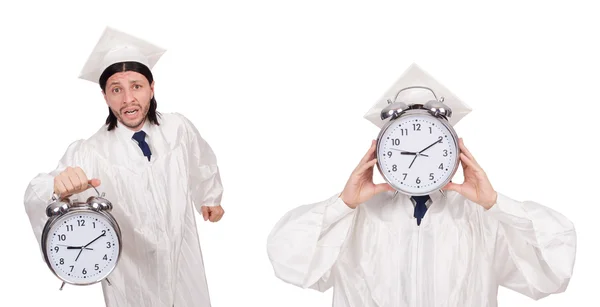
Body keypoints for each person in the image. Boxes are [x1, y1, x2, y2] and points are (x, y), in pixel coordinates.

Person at [266, 64, 576, 306]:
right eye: (403, 148)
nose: (418, 156)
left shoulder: (482, 220)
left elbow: (554, 270)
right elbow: (286, 257)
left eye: (433, 146)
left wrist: (495, 203)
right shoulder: (355, 218)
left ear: (455, 153)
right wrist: (342, 205)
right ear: (381, 153)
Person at [23, 26, 225, 307]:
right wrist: (57, 186)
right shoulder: (91, 151)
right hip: (132, 280)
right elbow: (38, 190)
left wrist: (209, 197)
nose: (128, 99)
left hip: (182, 260)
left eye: (137, 86)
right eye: (116, 89)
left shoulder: (178, 129)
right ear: (105, 96)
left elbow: (201, 160)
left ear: (152, 88)